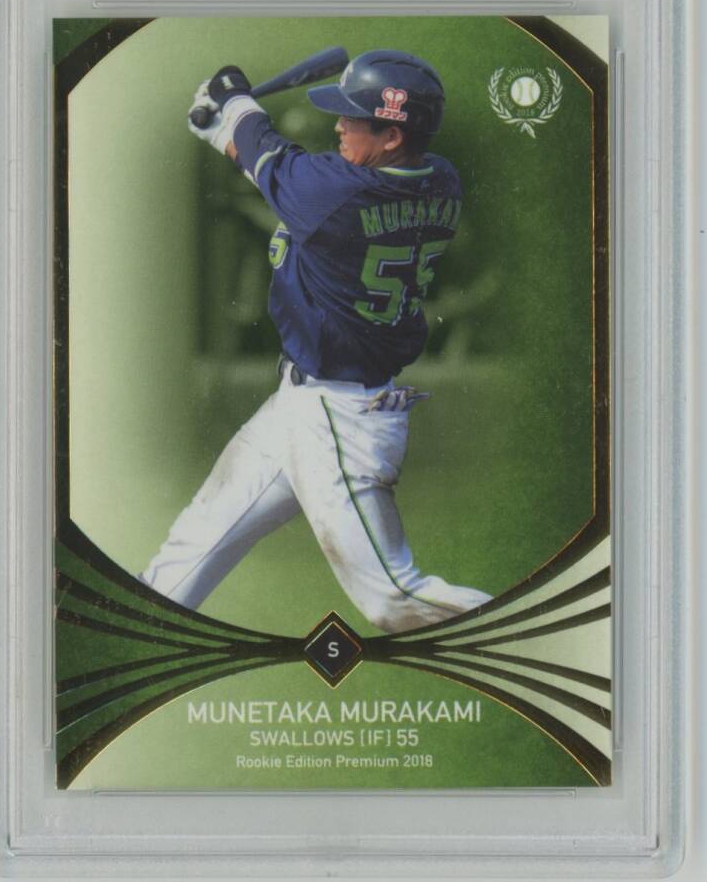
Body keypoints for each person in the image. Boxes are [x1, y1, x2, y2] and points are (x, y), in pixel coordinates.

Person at [140, 50, 491, 632]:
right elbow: (277, 171)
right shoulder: (438, 180)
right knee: (192, 549)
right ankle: (130, 639)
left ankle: (530, 628)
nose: (339, 126)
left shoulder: (337, 196)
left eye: (355, 119)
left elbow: (274, 159)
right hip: (302, 406)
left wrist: (233, 105)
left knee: (392, 599)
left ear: (393, 136)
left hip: (342, 418)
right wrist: (225, 128)